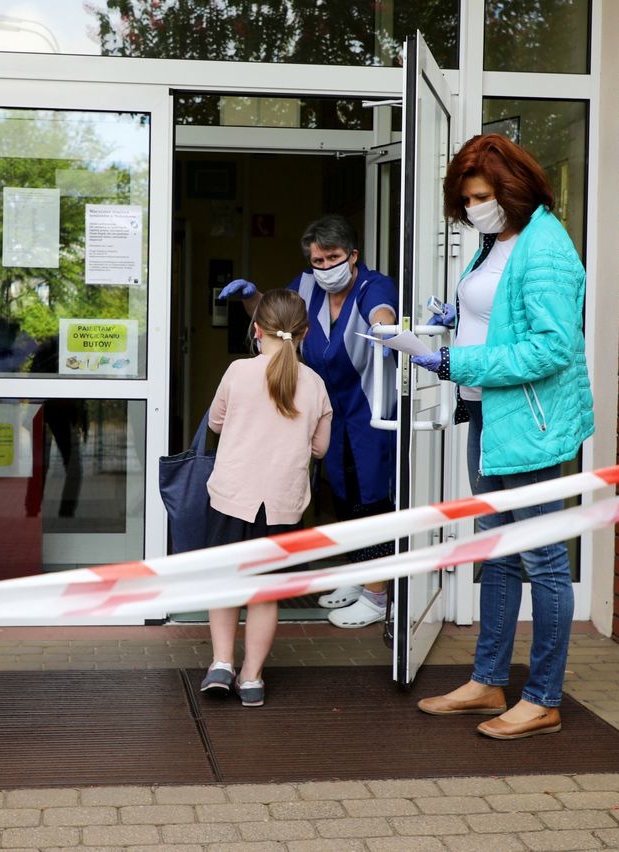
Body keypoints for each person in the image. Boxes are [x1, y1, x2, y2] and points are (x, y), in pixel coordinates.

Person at [410, 133, 593, 740]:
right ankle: (488, 681)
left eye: (481, 196)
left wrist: (447, 364)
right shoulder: (499, 241)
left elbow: (552, 347)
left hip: (531, 422)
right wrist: (453, 323)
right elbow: (499, 318)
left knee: (541, 559)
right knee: (495, 551)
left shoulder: (545, 247)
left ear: (512, 188)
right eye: (464, 199)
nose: (471, 209)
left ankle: (542, 698)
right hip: (489, 418)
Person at [218, 215, 396, 628]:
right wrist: (252, 297)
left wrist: (387, 332)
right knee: (342, 496)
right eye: (317, 259)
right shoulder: (308, 286)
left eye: (332, 257)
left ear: (352, 256)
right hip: (325, 412)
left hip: (367, 412)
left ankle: (377, 594)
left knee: (373, 501)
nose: (324, 267)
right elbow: (280, 321)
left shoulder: (373, 286)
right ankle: (358, 576)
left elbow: (381, 313)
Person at [199, 290, 332, 706]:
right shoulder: (315, 385)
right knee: (265, 593)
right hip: (282, 505)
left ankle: (221, 663)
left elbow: (216, 424)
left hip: (231, 498)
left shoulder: (238, 372)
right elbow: (321, 449)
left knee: (224, 584)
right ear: (305, 332)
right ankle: (252, 678)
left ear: (256, 330)